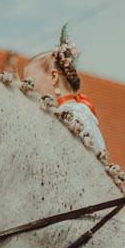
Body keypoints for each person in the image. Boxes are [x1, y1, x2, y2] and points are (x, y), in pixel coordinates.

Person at [22, 25, 106, 153]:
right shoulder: (75, 112)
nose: (26, 88)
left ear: (53, 76)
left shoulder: (74, 117)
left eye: (30, 81)